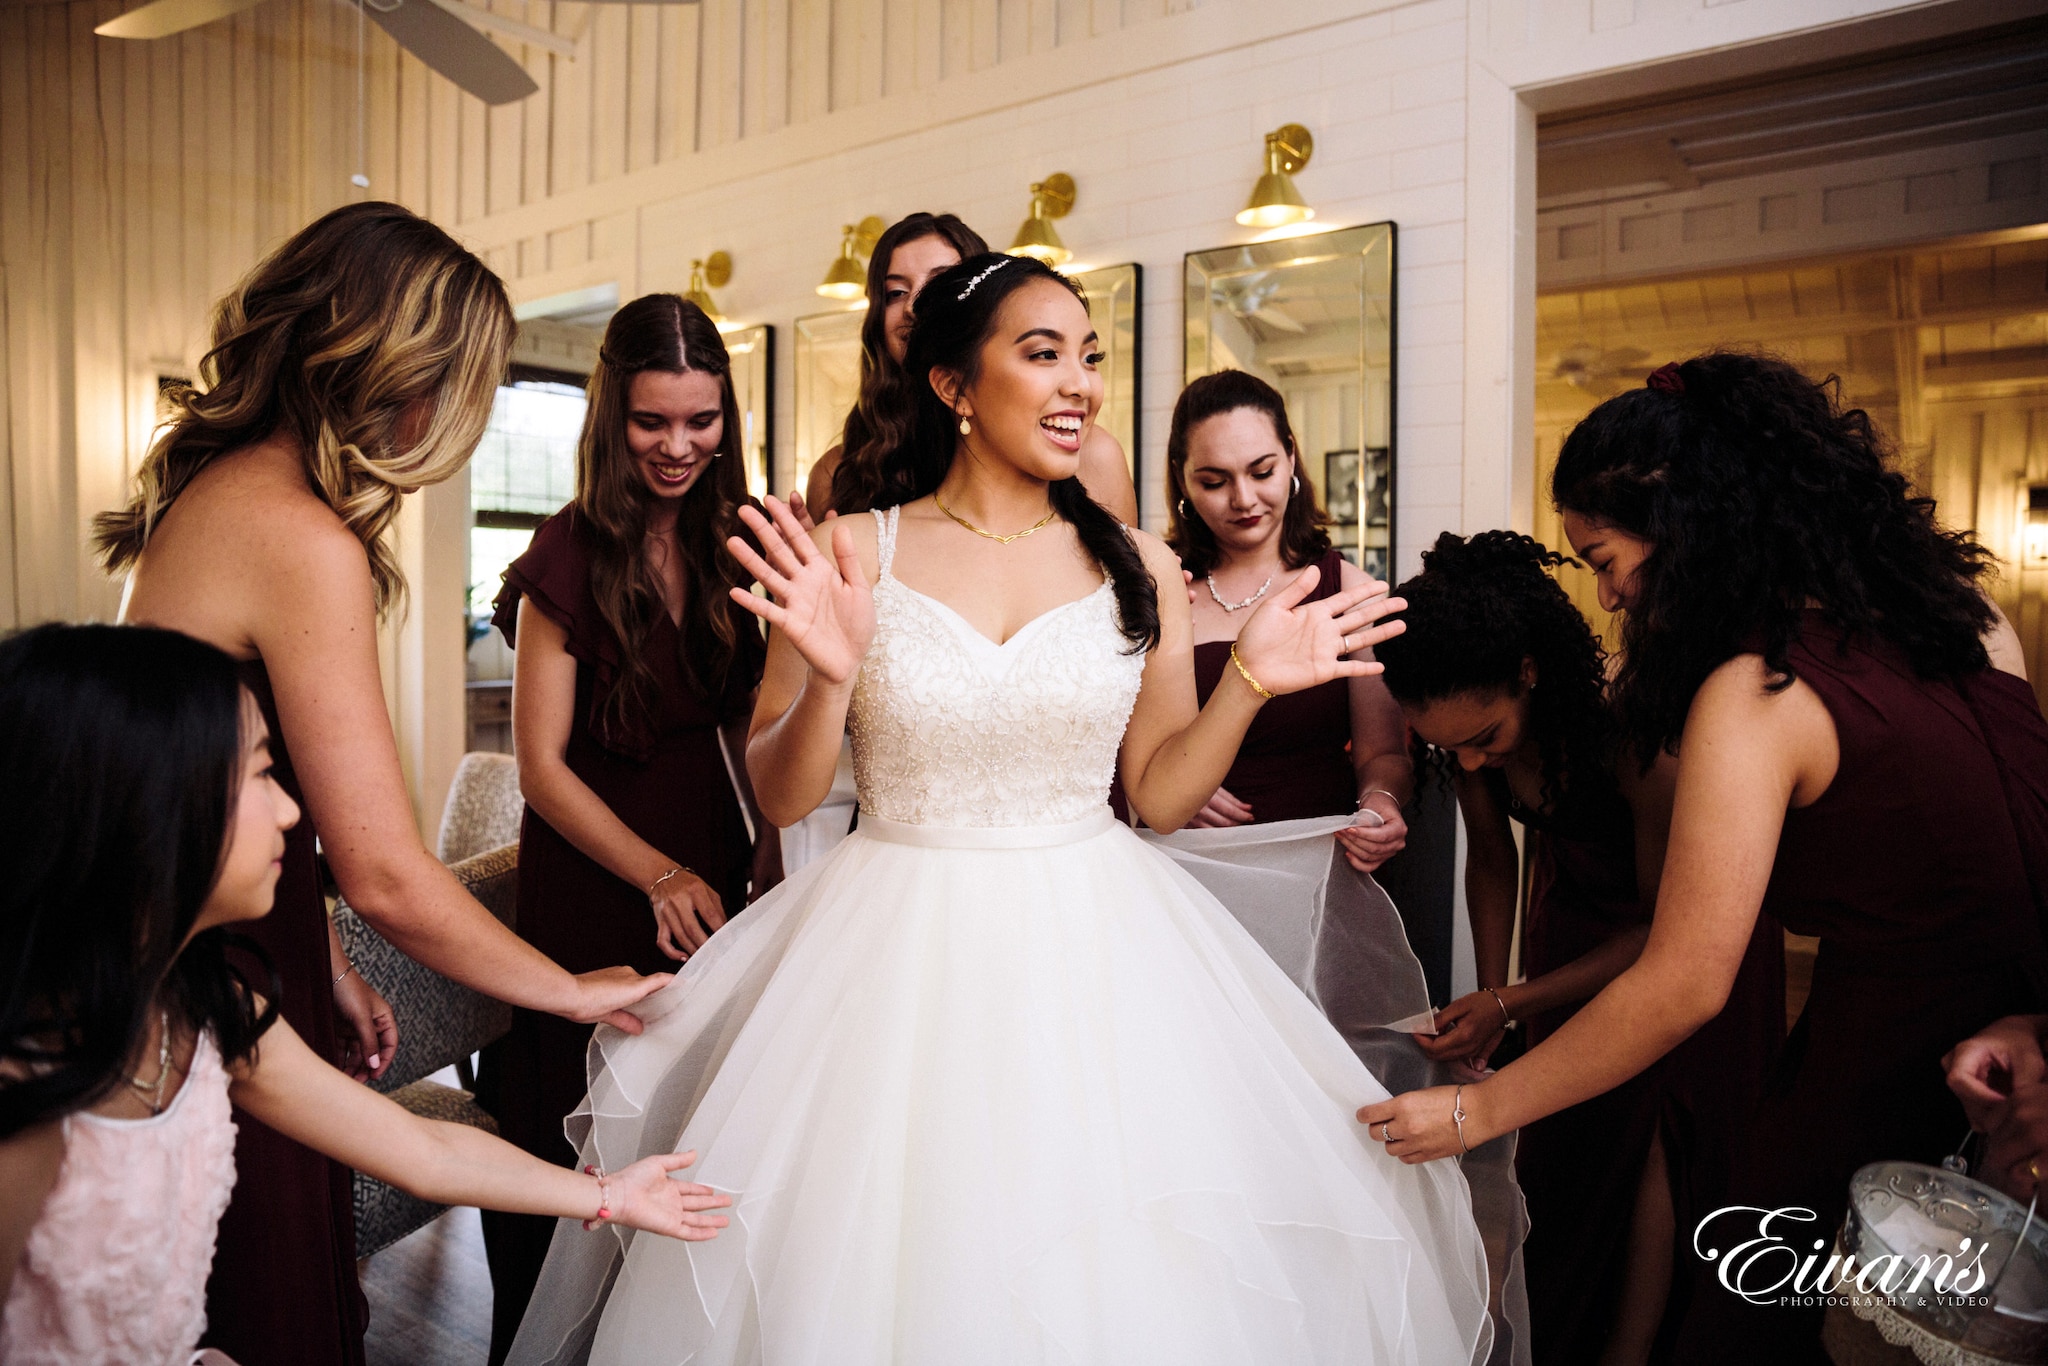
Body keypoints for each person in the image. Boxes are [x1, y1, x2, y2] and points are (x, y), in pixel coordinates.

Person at [506, 252, 1494, 1364]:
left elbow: (1161, 795)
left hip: (1097, 947)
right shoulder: (854, 546)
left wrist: (1252, 679)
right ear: (953, 387)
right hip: (888, 954)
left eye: (1088, 357)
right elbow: (782, 794)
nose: (1077, 384)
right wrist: (830, 671)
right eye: (1041, 355)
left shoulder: (1137, 563)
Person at [1359, 353, 2048, 1364]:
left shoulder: (1754, 691)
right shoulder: (1968, 621)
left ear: (1684, 523)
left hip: (1890, 1076)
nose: (1607, 600)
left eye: (1604, 561)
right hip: (2021, 1056)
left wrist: (1473, 1110)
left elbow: (1683, 980)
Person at [92, 201, 671, 1366]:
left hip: (237, 938)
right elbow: (388, 870)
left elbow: (232, 792)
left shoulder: (210, 496)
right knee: (268, 1304)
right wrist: (567, 991)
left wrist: (331, 955)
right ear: (404, 376)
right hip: (224, 971)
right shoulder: (303, 538)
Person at [0, 624, 731, 1366]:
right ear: (149, 807)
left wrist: (613, 1194)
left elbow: (422, 1150)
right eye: (259, 774)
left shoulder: (210, 1006)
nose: (291, 812)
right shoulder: (26, 1087)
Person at [1375, 530, 1782, 1364]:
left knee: (1653, 1162)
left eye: (1485, 736)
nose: (1472, 759)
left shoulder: (1637, 742)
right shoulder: (1466, 732)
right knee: (1566, 1164)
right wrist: (1493, 1009)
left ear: (1529, 671)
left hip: (1676, 946)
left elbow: (1665, 933)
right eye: (1451, 748)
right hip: (1567, 934)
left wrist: (1511, 1001)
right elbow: (1490, 859)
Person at [479, 294, 777, 1360]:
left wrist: (775, 862)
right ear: (612, 416)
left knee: (698, 1118)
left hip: (714, 858)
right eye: (654, 421)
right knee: (572, 1117)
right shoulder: (564, 554)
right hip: (595, 867)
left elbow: (761, 729)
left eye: (701, 421)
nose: (679, 445)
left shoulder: (741, 540)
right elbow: (539, 770)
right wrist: (657, 874)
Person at [1166, 369, 1410, 871]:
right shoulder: (1158, 583)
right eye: (1214, 481)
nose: (1244, 499)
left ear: (1291, 457)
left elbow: (1382, 752)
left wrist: (1380, 802)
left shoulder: (1345, 588)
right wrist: (1168, 783)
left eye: (1261, 472)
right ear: (1182, 479)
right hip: (1180, 865)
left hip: (1312, 861)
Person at [802, 212, 1138, 523]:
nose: (915, 307)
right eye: (895, 292)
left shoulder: (1092, 457)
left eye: (942, 282)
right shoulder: (839, 474)